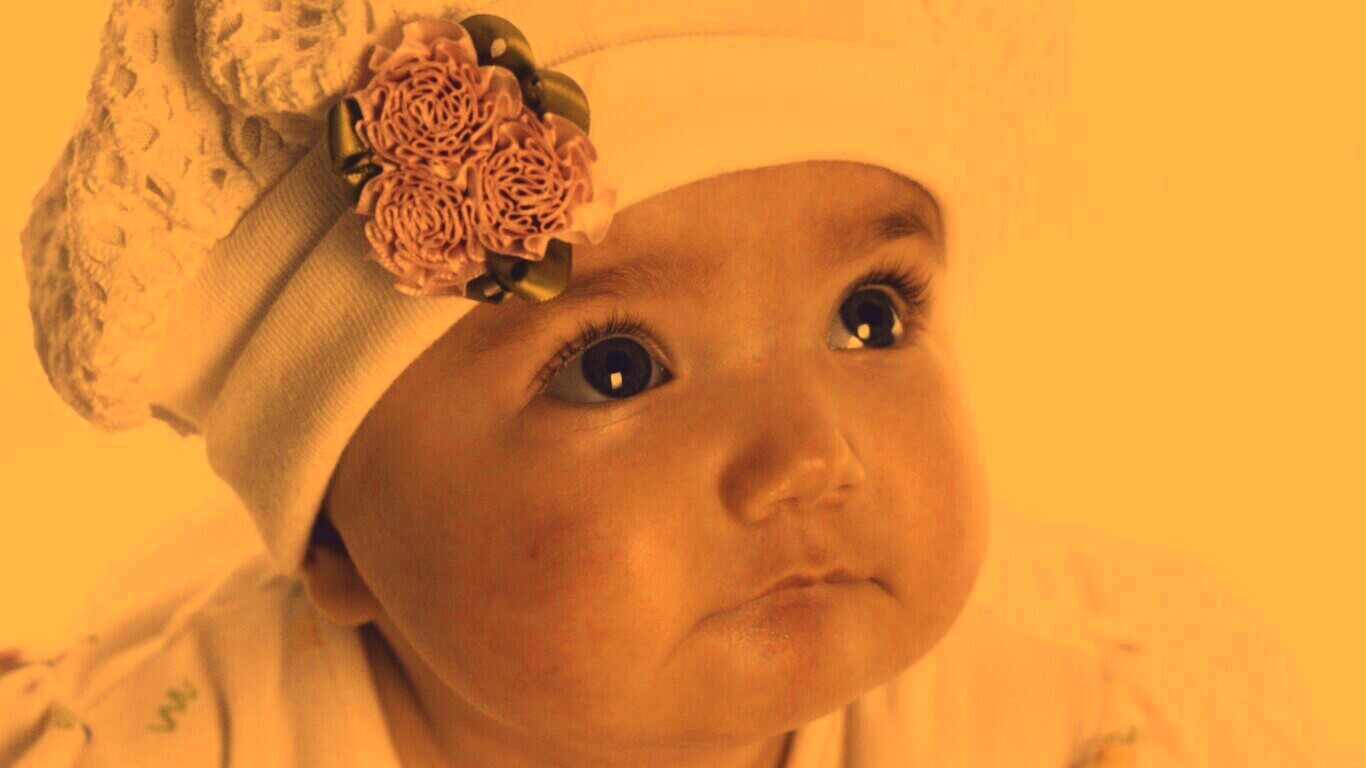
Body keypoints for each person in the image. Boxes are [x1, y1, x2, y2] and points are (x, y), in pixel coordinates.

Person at [1, 0, 1312, 766]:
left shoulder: (1068, 724)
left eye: (869, 317)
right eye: (616, 367)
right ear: (336, 542)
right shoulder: (168, 740)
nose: (811, 455)